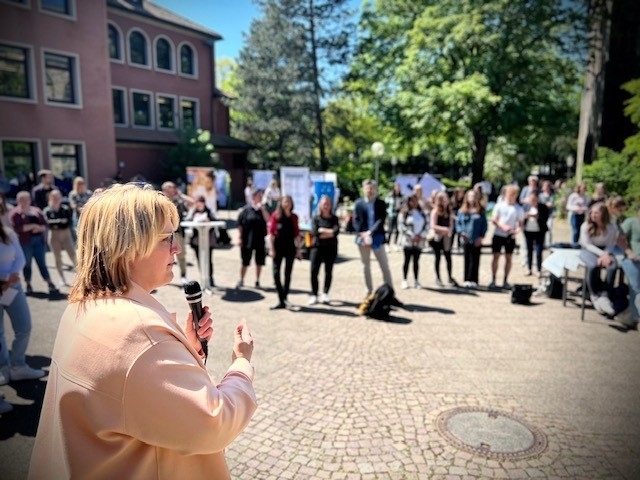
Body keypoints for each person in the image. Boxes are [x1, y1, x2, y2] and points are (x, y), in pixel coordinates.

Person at [28, 183, 257, 479]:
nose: (177, 247)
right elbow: (215, 423)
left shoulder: (82, 307)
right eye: (166, 238)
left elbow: (131, 393)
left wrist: (185, 348)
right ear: (129, 246)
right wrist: (241, 363)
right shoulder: (140, 335)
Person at [0, 223, 46, 386]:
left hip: (13, 287)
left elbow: (20, 258)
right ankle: (3, 368)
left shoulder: (8, 233)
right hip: (6, 283)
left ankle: (18, 365)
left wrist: (10, 276)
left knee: (24, 327)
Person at [9, 191, 59, 295]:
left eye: (27, 199)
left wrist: (39, 228)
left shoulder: (36, 211)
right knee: (27, 264)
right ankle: (28, 284)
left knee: (42, 263)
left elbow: (45, 224)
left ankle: (49, 283)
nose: (25, 201)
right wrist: (33, 226)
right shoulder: (15, 213)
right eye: (22, 199)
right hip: (25, 242)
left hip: (38, 241)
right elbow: (17, 228)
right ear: (18, 201)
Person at [352, 179, 393, 296]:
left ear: (375, 190)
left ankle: (389, 291)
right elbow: (355, 220)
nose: (370, 191)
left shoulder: (380, 203)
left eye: (372, 189)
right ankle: (368, 290)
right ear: (364, 189)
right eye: (367, 188)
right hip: (362, 238)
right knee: (365, 266)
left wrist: (371, 232)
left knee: (384, 265)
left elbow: (381, 220)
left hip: (377, 237)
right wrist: (362, 233)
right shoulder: (358, 204)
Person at [579, 202, 619, 316]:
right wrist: (602, 254)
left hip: (606, 250)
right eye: (592, 212)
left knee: (612, 266)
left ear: (603, 214)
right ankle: (594, 295)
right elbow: (587, 244)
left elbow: (611, 244)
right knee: (593, 266)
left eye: (596, 213)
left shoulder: (612, 227)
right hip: (589, 250)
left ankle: (605, 295)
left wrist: (606, 254)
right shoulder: (585, 226)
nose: (593, 215)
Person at [267, 195, 302, 309]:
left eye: (289, 202)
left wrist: (299, 250)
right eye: (285, 202)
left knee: (288, 273)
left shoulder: (294, 217)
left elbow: (297, 235)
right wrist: (271, 249)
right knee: (276, 273)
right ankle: (281, 298)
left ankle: (285, 299)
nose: (287, 204)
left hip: (290, 247)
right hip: (277, 247)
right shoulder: (275, 216)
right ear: (281, 203)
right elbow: (271, 234)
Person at [489, 185, 524, 289]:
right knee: (496, 256)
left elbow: (521, 223)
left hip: (510, 236)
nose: (511, 197)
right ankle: (493, 279)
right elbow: (494, 219)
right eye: (509, 194)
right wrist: (502, 226)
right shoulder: (499, 206)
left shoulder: (518, 208)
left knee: (508, 258)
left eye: (513, 195)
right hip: (499, 234)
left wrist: (517, 230)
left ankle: (505, 280)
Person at [308, 195, 339, 304]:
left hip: (331, 248)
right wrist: (329, 232)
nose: (326, 206)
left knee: (328, 271)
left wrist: (323, 231)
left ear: (330, 206)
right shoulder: (316, 218)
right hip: (317, 248)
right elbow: (315, 233)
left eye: (328, 204)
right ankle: (314, 294)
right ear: (320, 205)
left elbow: (336, 233)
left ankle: (325, 293)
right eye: (324, 204)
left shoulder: (334, 218)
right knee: (313, 271)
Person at [236, 189, 270, 289]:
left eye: (261, 196)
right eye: (258, 196)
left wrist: (262, 209)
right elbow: (239, 224)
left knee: (259, 261)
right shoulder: (246, 210)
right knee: (245, 261)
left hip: (259, 240)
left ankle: (257, 281)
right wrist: (239, 237)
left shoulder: (263, 209)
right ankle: (241, 280)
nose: (260, 198)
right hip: (247, 240)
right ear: (253, 197)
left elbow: (268, 219)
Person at [161, 181, 194, 285]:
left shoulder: (178, 202)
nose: (171, 191)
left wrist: (180, 194)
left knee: (181, 255)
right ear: (164, 190)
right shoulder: (160, 202)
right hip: (162, 235)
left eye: (173, 188)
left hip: (177, 233)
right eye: (169, 188)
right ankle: (162, 277)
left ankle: (183, 276)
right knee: (162, 256)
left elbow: (192, 203)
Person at [43, 189, 76, 286]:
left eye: (58, 197)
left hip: (66, 235)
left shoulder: (65, 209)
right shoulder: (47, 210)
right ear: (50, 198)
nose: (56, 199)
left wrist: (57, 222)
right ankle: (62, 278)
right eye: (54, 197)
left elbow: (68, 222)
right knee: (57, 258)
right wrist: (60, 221)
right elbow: (48, 223)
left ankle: (80, 276)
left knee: (73, 255)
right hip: (54, 236)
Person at [455, 189, 488, 289]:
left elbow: (484, 225)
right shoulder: (462, 210)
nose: (472, 198)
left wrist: (481, 237)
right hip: (466, 238)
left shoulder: (481, 211)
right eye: (470, 196)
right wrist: (461, 233)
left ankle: (474, 279)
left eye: (474, 196)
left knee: (475, 259)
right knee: (467, 259)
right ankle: (467, 279)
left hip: (476, 238)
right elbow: (458, 224)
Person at [185, 196, 217, 288]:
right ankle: (203, 277)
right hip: (196, 241)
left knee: (208, 259)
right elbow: (188, 220)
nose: (199, 204)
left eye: (201, 202)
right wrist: (194, 218)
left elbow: (215, 221)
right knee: (199, 259)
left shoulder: (209, 211)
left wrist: (208, 220)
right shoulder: (194, 211)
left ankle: (210, 278)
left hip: (208, 241)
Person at [398, 195, 428, 289]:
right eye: (412, 201)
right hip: (408, 241)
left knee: (416, 261)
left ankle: (416, 280)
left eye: (415, 201)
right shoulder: (404, 213)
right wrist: (412, 236)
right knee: (406, 261)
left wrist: (421, 235)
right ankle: (404, 279)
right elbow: (402, 227)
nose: (414, 203)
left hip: (419, 241)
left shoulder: (422, 213)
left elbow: (427, 225)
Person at [429, 191, 457, 287]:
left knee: (448, 257)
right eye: (443, 199)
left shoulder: (449, 211)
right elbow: (433, 225)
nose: (445, 201)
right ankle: (438, 277)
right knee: (438, 258)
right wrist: (444, 229)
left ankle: (450, 277)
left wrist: (450, 230)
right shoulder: (435, 211)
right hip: (437, 238)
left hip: (447, 238)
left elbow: (451, 224)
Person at [619, 205, 640, 329]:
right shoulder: (631, 222)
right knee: (636, 289)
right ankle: (636, 317)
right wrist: (628, 251)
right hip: (633, 260)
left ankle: (631, 315)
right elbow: (618, 238)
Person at [522, 190, 549, 277]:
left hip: (539, 232)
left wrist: (537, 217)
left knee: (538, 252)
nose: (533, 201)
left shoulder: (543, 207)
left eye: (534, 199)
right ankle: (529, 268)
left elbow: (545, 219)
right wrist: (525, 217)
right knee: (529, 251)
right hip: (528, 232)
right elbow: (520, 218)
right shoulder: (525, 206)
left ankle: (539, 269)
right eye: (531, 199)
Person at [385, 182, 403, 249]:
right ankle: (387, 244)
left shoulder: (401, 196)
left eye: (399, 187)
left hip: (398, 215)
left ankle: (395, 243)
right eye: (396, 187)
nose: (398, 188)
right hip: (391, 215)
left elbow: (403, 205)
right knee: (390, 229)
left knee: (397, 230)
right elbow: (386, 204)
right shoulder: (390, 195)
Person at [538, 180, 555, 247]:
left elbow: (554, 204)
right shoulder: (540, 195)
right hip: (542, 215)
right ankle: (543, 243)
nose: (546, 187)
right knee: (542, 230)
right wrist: (546, 205)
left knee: (549, 228)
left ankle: (549, 244)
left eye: (548, 186)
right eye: (545, 186)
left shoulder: (552, 195)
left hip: (550, 214)